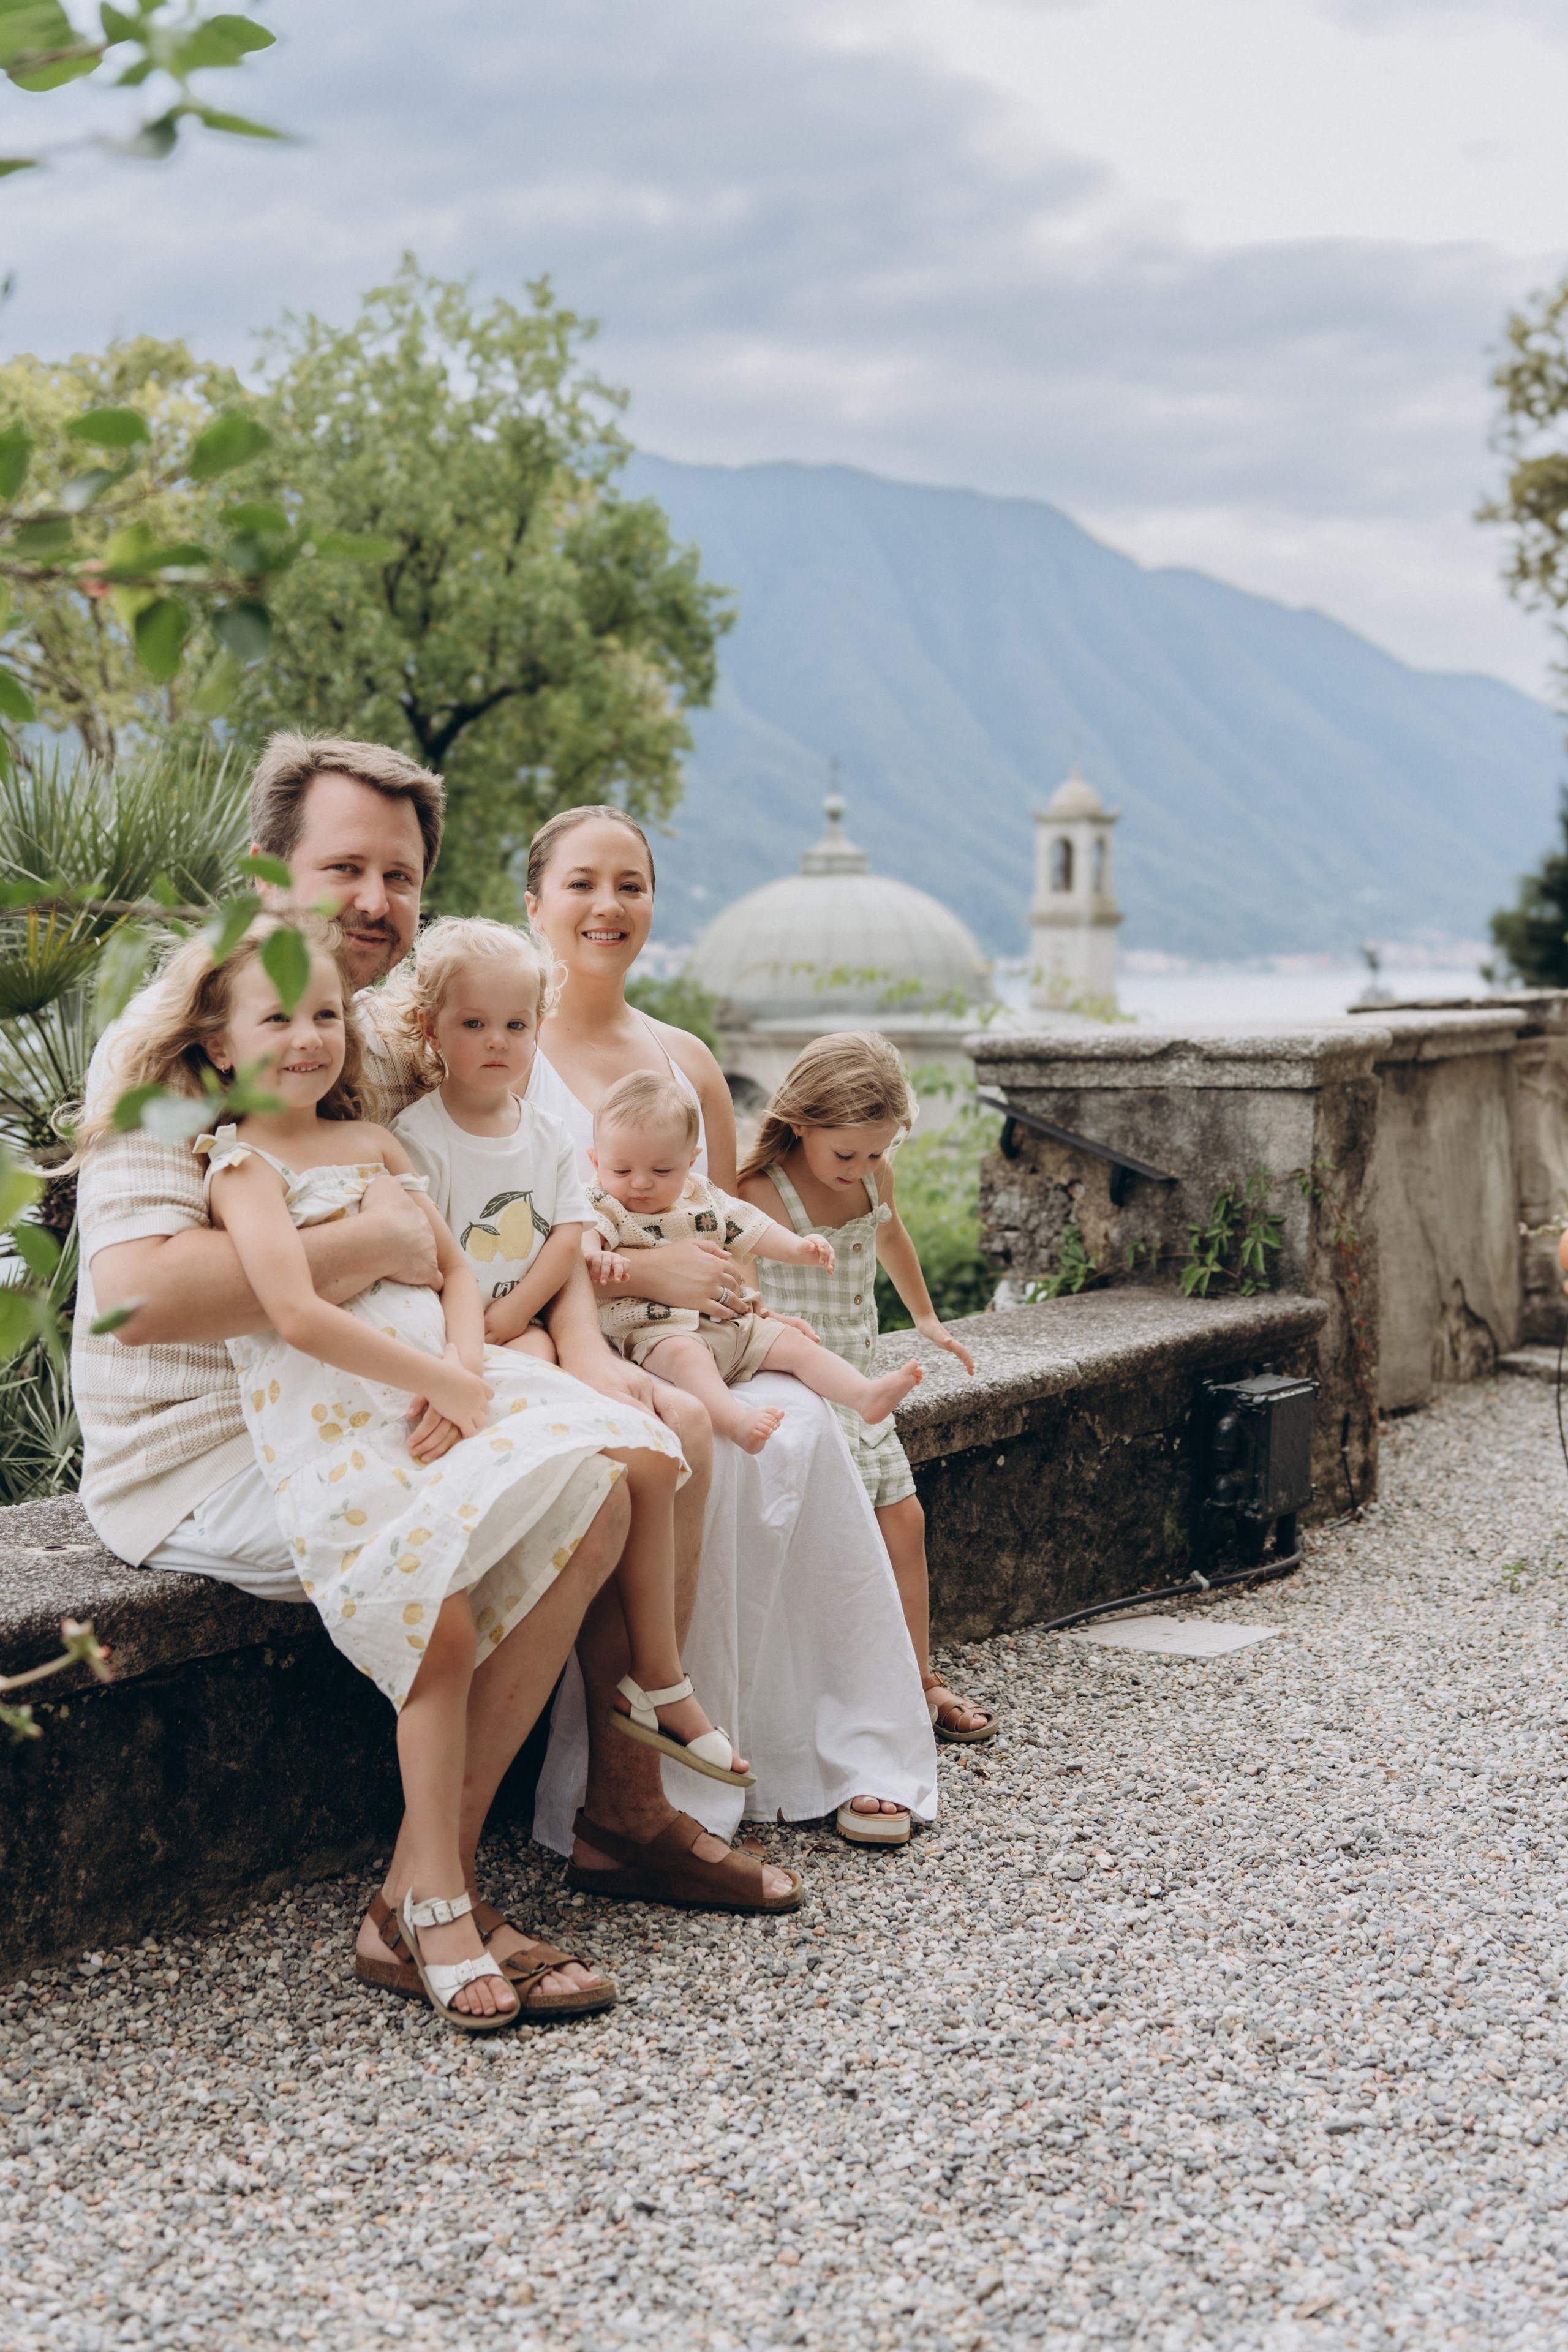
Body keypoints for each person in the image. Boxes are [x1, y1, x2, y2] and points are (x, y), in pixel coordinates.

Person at [72, 734, 790, 2021]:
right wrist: (381, 1248)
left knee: (632, 1448)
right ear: (262, 876)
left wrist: (560, 1342)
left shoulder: (399, 1035)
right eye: (342, 866)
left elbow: (528, 1204)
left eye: (399, 877)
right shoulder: (176, 1044)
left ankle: (584, 1829)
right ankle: (431, 1900)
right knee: (558, 1490)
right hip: (212, 1447)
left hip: (388, 1382)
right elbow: (137, 1296)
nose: (373, 902)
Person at [523, 805, 938, 1860]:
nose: (608, 905)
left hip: (693, 1337)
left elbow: (726, 1227)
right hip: (575, 1335)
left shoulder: (685, 1056)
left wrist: (748, 1300)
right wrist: (646, 1276)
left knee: (799, 1428)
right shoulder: (504, 1049)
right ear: (535, 904)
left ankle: (836, 1743)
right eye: (582, 884)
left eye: (632, 883)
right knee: (698, 1442)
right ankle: (651, 1778)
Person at [387, 916, 751, 1787]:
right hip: (471, 1339)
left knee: (662, 1454)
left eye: (516, 1026)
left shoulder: (545, 1132)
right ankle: (646, 1698)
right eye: (474, 1024)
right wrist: (500, 1329)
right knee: (615, 1457)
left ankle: (659, 1672)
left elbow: (567, 1234)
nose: (498, 1043)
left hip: (535, 1324)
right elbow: (437, 1264)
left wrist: (528, 1314)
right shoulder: (418, 1137)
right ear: (429, 1030)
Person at [737, 1030, 998, 1811]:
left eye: (874, 1154)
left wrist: (926, 1318)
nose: (859, 1170)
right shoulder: (761, 1192)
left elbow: (890, 1235)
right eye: (844, 1155)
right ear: (801, 1121)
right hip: (806, 1386)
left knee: (905, 1524)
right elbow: (744, 1292)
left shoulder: (872, 1175)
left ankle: (918, 1679)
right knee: (836, 1543)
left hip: (865, 1380)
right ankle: (840, 1704)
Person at [584, 1068, 925, 1453]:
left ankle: (863, 1395)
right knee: (686, 1357)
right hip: (659, 1330)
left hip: (735, 1320)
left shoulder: (702, 1195)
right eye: (621, 1170)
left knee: (795, 1343)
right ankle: (734, 1421)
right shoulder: (603, 1203)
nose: (641, 1182)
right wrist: (596, 1253)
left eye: (662, 1170)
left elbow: (750, 1224)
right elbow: (584, 1233)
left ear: (690, 1161)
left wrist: (799, 1247)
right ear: (596, 1161)